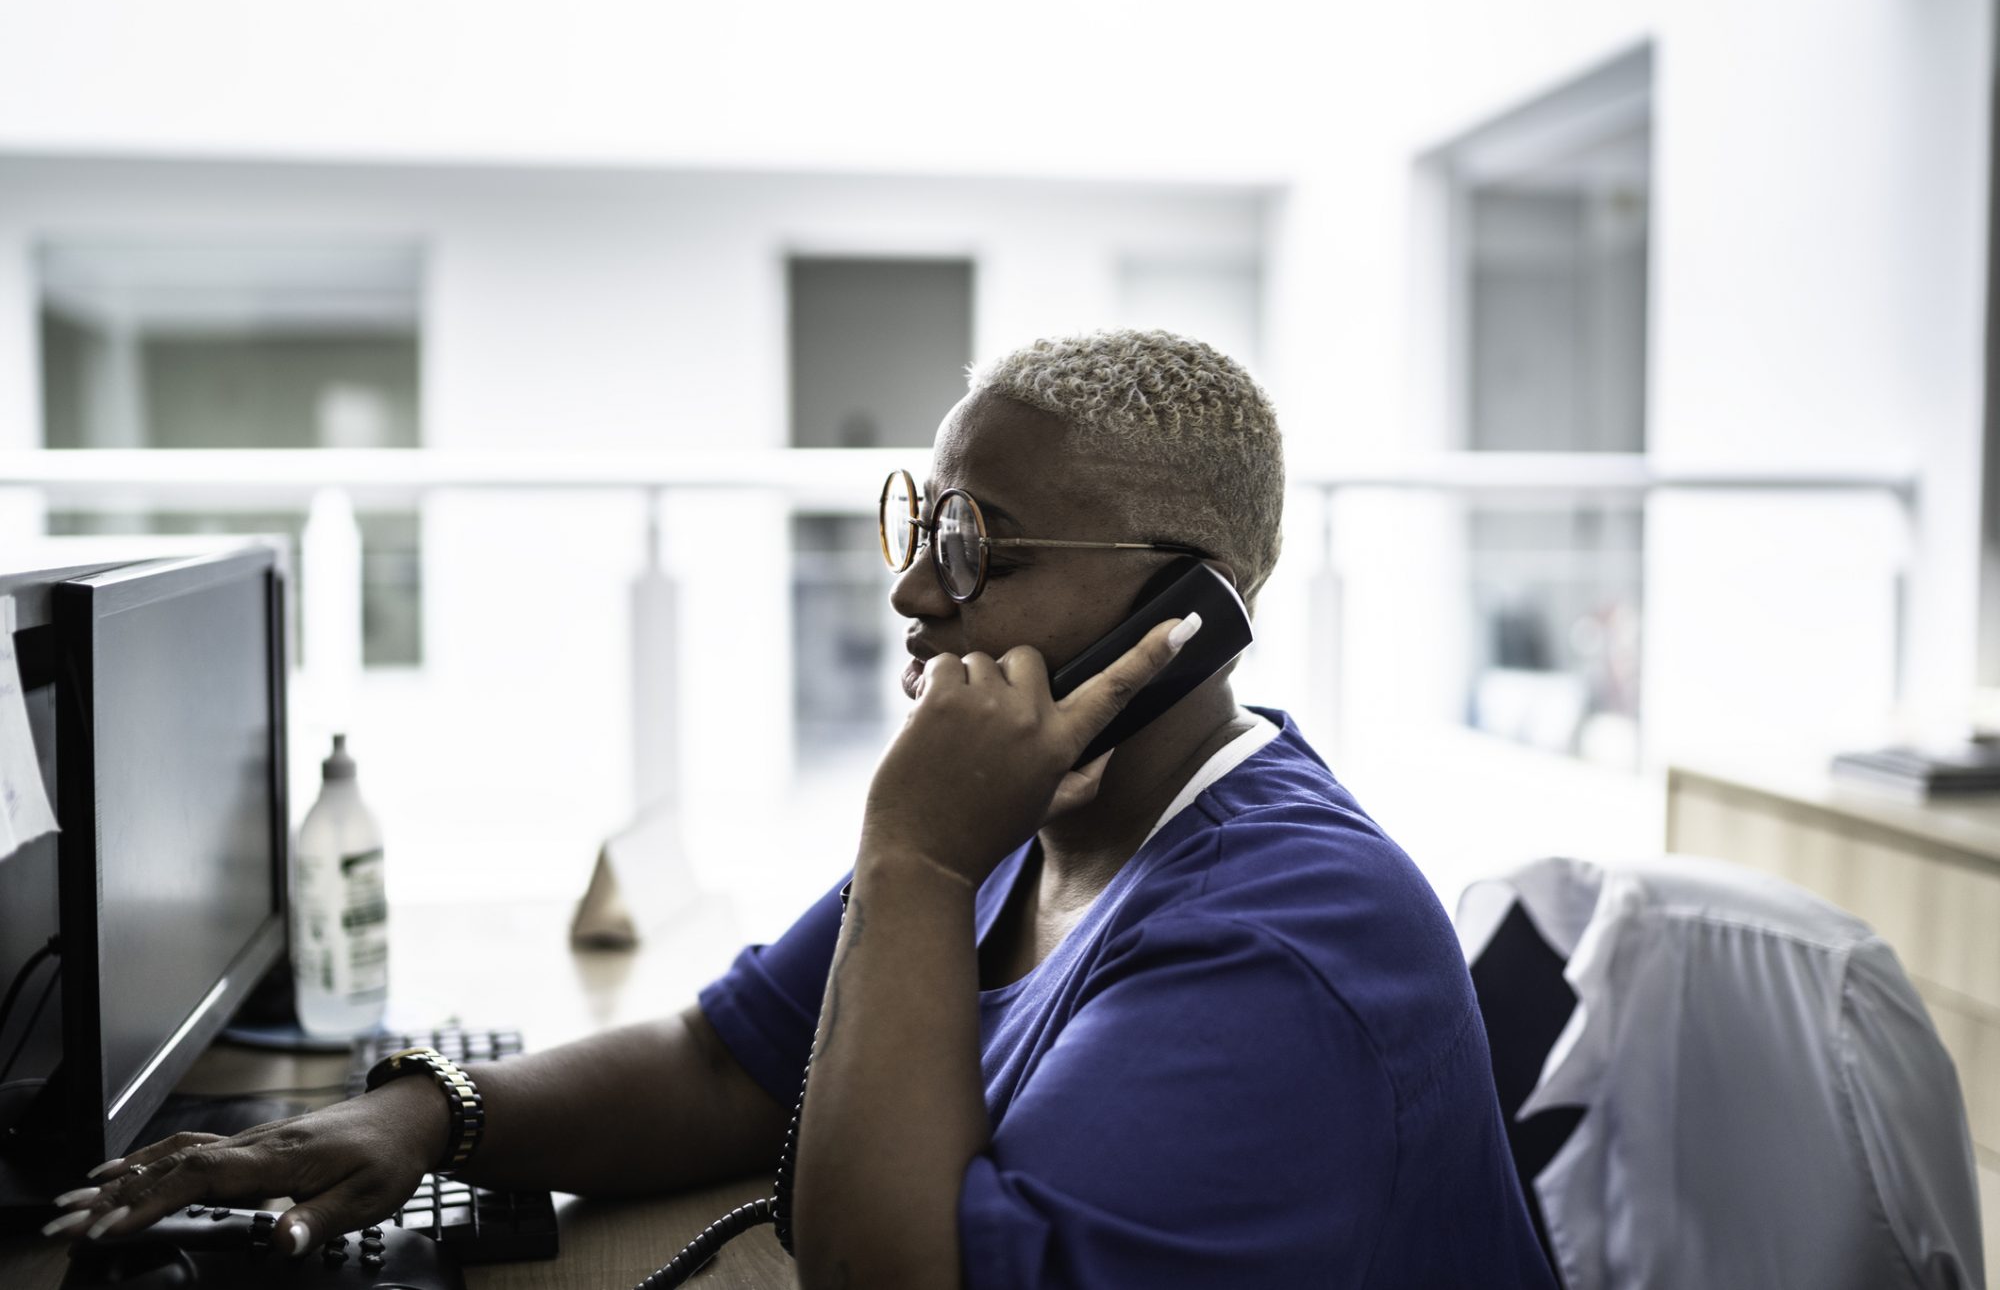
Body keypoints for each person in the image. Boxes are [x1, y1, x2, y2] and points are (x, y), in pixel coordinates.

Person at [45, 329, 1556, 1288]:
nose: (911, 590)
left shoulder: (1285, 945)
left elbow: (889, 1275)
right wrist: (423, 1114)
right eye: (924, 519)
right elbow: (733, 1057)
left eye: (980, 545)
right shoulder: (1033, 818)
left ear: (1189, 610)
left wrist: (908, 855)